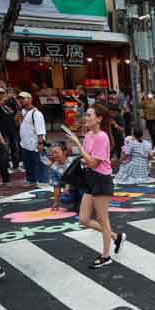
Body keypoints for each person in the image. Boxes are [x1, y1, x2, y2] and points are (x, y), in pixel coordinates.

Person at [65, 104, 125, 269]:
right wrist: (84, 154)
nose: (86, 117)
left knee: (102, 219)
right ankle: (116, 237)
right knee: (84, 219)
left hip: (101, 180)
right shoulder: (89, 135)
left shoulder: (102, 137)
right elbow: (86, 160)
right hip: (90, 179)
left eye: (90, 115)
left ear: (99, 118)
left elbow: (92, 162)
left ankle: (106, 256)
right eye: (86, 115)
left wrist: (77, 143)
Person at [18, 91, 47, 186]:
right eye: (20, 99)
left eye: (23, 98)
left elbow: (40, 130)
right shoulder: (22, 112)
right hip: (25, 143)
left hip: (34, 143)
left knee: (40, 162)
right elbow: (20, 126)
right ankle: (31, 180)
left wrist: (40, 143)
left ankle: (43, 181)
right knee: (28, 163)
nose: (21, 100)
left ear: (30, 99)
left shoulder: (36, 113)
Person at [0, 87, 21, 171]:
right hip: (2, 128)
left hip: (12, 126)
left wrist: (15, 99)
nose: (1, 94)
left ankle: (16, 165)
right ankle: (6, 166)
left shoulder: (11, 100)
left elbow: (19, 107)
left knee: (14, 146)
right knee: (4, 147)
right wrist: (5, 99)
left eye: (2, 92)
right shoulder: (3, 100)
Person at [47, 141, 72, 209]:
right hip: (70, 192)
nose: (54, 155)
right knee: (63, 199)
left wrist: (68, 185)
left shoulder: (73, 162)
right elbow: (56, 186)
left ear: (64, 152)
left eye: (56, 152)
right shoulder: (54, 167)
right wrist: (56, 202)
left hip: (81, 188)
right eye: (53, 153)